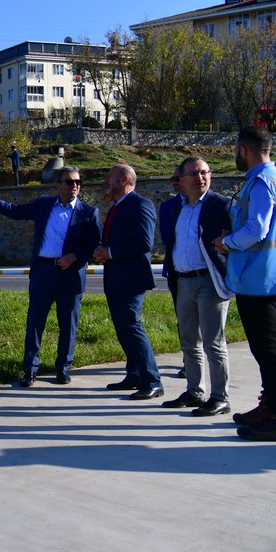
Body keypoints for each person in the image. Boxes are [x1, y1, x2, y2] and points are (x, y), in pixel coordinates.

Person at [0, 166, 100, 386]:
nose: (75, 186)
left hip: (70, 273)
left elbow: (95, 245)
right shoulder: (44, 204)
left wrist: (75, 256)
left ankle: (63, 368)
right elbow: (16, 211)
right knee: (35, 322)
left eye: (78, 182)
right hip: (44, 271)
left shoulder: (89, 212)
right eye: (69, 182)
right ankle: (30, 369)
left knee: (68, 324)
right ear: (57, 185)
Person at [213, 127, 276, 442]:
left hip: (258, 279)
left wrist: (227, 242)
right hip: (268, 276)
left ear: (243, 149)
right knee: (266, 350)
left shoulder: (261, 183)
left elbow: (256, 230)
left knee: (268, 351)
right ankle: (270, 406)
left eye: (235, 149)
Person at [159, 157, 234, 416]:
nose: (200, 178)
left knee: (213, 342)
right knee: (189, 340)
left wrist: (228, 240)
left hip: (209, 281)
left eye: (205, 173)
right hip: (183, 281)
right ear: (182, 180)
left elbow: (242, 233)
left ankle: (219, 397)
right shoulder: (179, 208)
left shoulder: (221, 204)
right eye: (194, 174)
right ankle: (194, 391)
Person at [94, 164, 163, 399]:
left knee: (132, 326)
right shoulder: (117, 207)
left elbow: (145, 243)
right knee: (123, 328)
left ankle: (152, 380)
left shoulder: (140, 205)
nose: (106, 180)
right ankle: (134, 374)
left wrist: (110, 252)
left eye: (110, 177)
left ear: (124, 180)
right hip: (115, 277)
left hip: (131, 279)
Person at [158, 166, 186, 379]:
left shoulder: (213, 203)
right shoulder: (168, 207)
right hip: (177, 271)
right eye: (172, 179)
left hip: (207, 273)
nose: (175, 182)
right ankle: (189, 359)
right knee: (184, 318)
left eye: (178, 178)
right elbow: (169, 239)